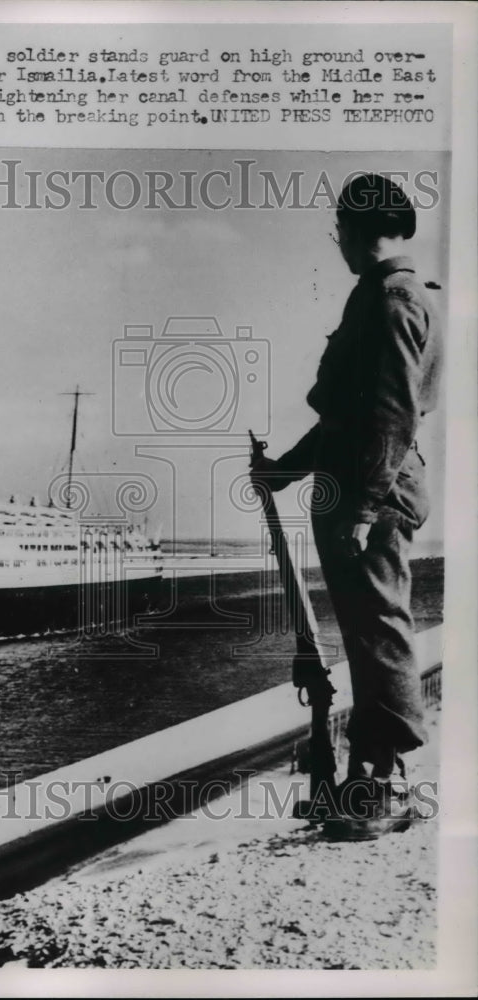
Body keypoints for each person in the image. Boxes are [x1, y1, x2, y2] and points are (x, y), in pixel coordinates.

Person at [255, 173, 443, 840]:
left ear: (353, 229)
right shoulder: (384, 296)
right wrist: (284, 470)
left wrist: (362, 507)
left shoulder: (392, 301)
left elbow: (389, 417)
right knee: (367, 632)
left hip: (372, 493)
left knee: (377, 631)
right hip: (359, 486)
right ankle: (368, 776)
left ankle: (380, 784)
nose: (336, 241)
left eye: (338, 229)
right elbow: (346, 417)